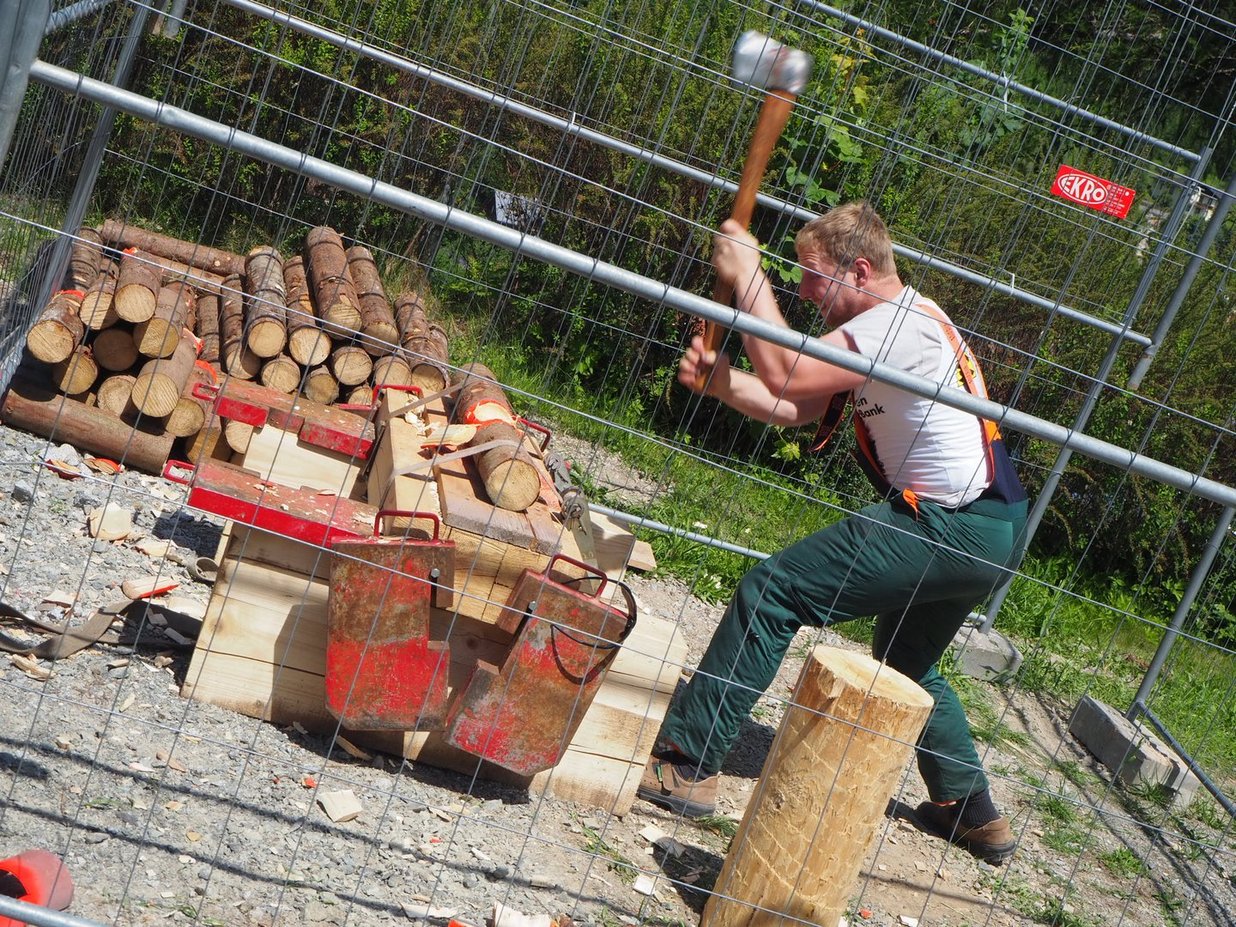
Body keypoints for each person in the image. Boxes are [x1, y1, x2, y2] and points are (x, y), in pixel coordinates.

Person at [636, 201, 1029, 865]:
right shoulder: (894, 325)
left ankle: (686, 762)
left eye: (814, 276)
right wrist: (724, 383)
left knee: (774, 590)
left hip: (951, 523)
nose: (805, 291)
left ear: (861, 270)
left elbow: (788, 372)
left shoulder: (900, 322)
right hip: (993, 526)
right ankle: (970, 810)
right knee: (906, 658)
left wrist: (750, 276)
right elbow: (795, 403)